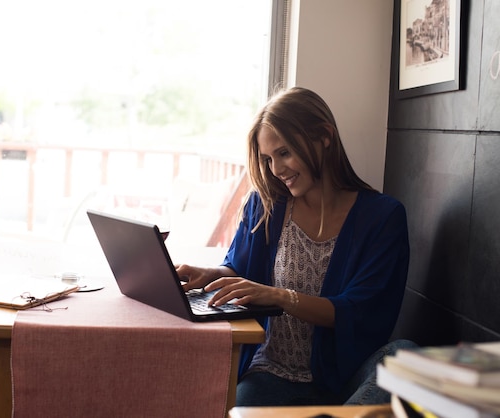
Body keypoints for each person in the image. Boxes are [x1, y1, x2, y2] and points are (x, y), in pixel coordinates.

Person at [176, 86, 411, 406]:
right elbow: (240, 270)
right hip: (271, 375)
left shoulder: (383, 218)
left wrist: (280, 297)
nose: (276, 169)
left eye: (284, 153)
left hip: (345, 380)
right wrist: (210, 274)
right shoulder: (265, 207)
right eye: (268, 158)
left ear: (324, 136)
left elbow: (359, 311)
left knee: (404, 357)